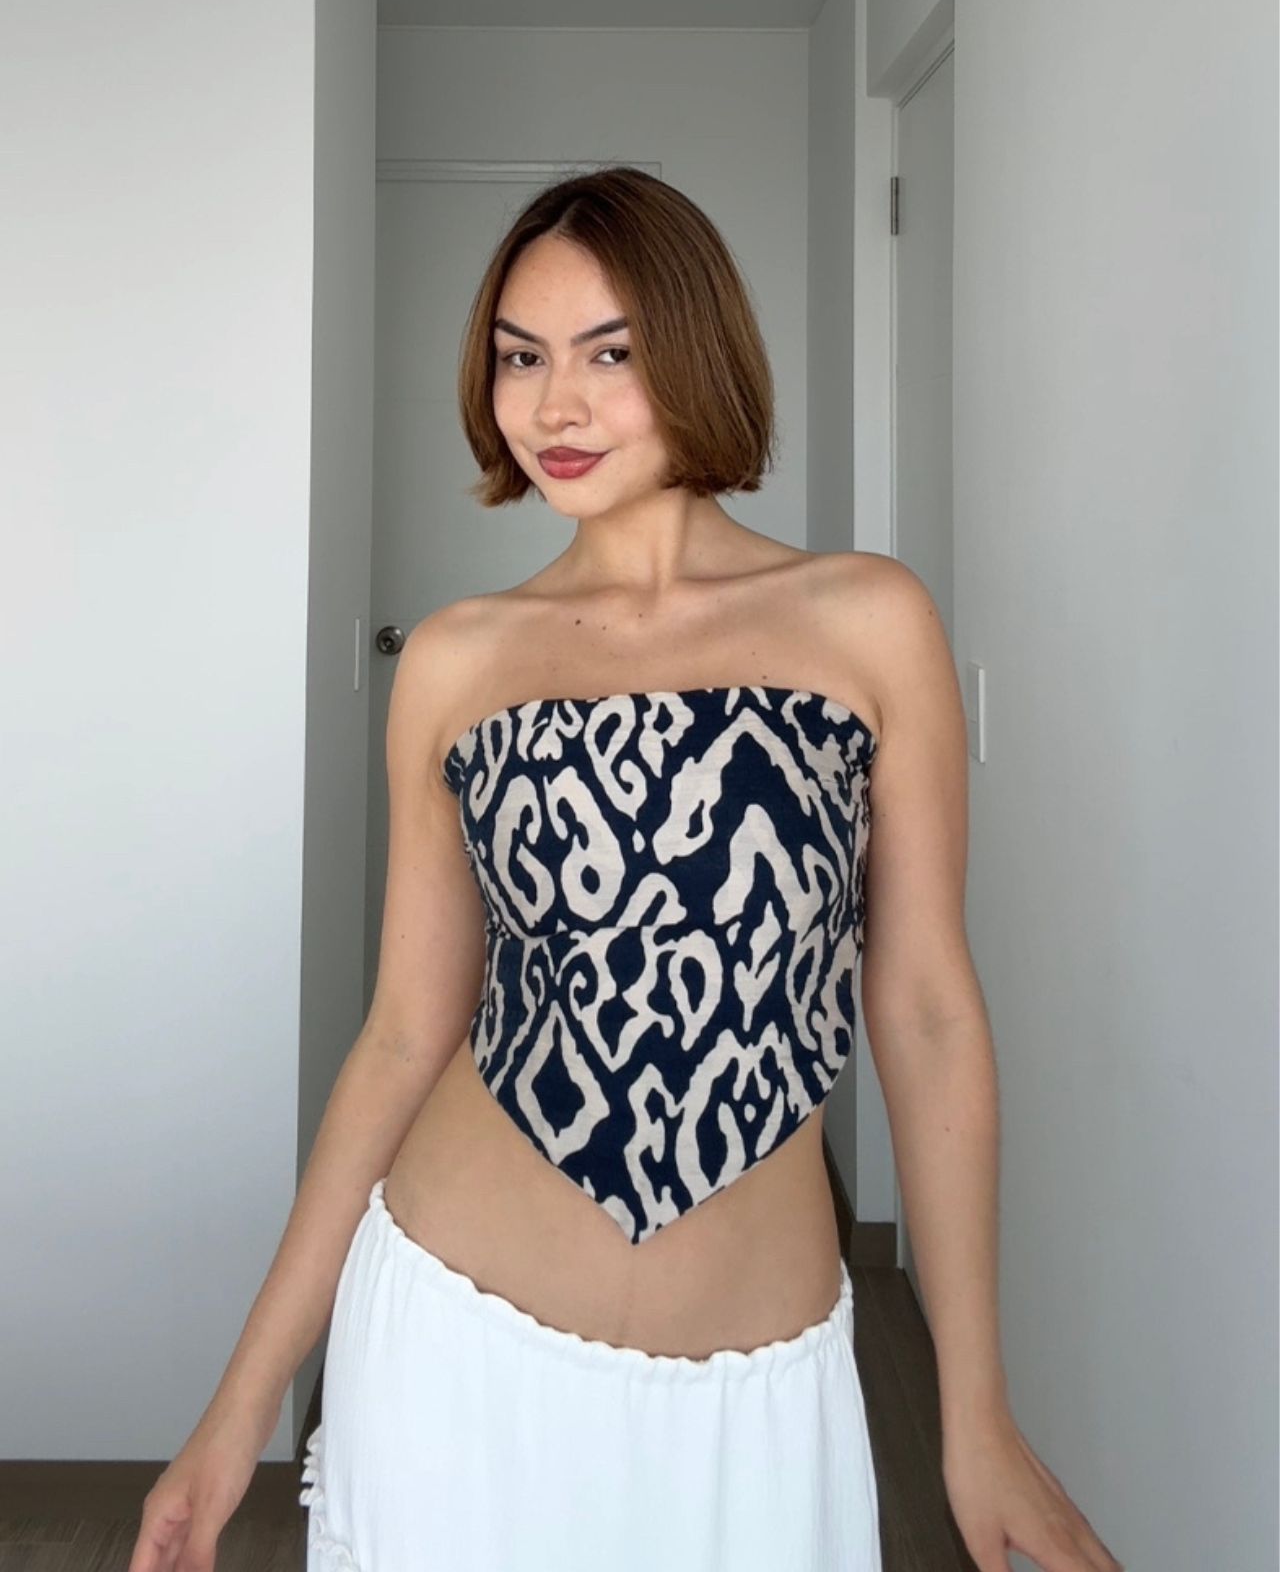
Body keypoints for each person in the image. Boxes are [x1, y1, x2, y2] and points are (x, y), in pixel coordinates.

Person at [129, 167, 1123, 1572]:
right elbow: (406, 1033)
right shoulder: (456, 661)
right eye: (520, 357)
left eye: (610, 354)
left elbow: (927, 1013)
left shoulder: (868, 621)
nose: (554, 408)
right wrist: (241, 1408)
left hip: (756, 1401)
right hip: (455, 1353)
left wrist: (977, 1415)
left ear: (699, 354)